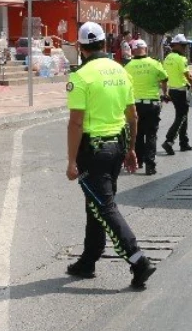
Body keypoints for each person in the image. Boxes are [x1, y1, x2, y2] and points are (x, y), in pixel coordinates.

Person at [65, 22, 157, 290]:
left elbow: (76, 123)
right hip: (116, 148)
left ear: (81, 48)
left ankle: (138, 260)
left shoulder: (80, 76)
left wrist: (71, 161)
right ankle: (89, 260)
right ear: (105, 44)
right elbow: (133, 116)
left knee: (104, 207)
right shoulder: (121, 71)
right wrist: (129, 149)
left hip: (92, 152)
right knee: (96, 206)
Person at [124, 39, 169, 175]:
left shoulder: (127, 67)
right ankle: (150, 165)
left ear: (133, 51)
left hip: (134, 105)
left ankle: (138, 161)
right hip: (152, 104)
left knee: (137, 134)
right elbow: (164, 79)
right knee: (151, 135)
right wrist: (165, 93)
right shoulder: (155, 64)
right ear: (146, 49)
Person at [162, 33, 192, 154]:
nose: (185, 48)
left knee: (182, 116)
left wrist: (165, 92)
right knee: (181, 117)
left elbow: (164, 77)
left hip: (172, 90)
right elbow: (188, 76)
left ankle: (183, 143)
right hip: (181, 91)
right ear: (176, 45)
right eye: (183, 45)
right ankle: (169, 140)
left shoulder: (167, 58)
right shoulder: (181, 59)